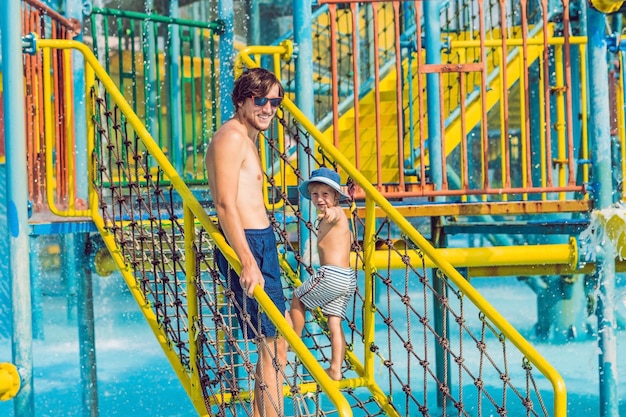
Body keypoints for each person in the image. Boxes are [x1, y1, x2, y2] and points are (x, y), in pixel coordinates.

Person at [205, 67, 287, 417]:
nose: (269, 108)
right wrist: (248, 261)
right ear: (241, 100)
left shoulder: (248, 136)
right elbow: (225, 204)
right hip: (249, 246)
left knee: (276, 342)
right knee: (272, 343)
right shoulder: (232, 138)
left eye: (276, 101)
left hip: (261, 242)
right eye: (261, 100)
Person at [290, 167, 357, 381]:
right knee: (334, 323)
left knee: (298, 298)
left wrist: (329, 212)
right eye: (315, 194)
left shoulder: (336, 212)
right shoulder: (338, 219)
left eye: (325, 194)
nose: (319, 199)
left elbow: (334, 214)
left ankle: (295, 342)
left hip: (332, 275)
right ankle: (335, 369)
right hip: (347, 278)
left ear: (336, 196)